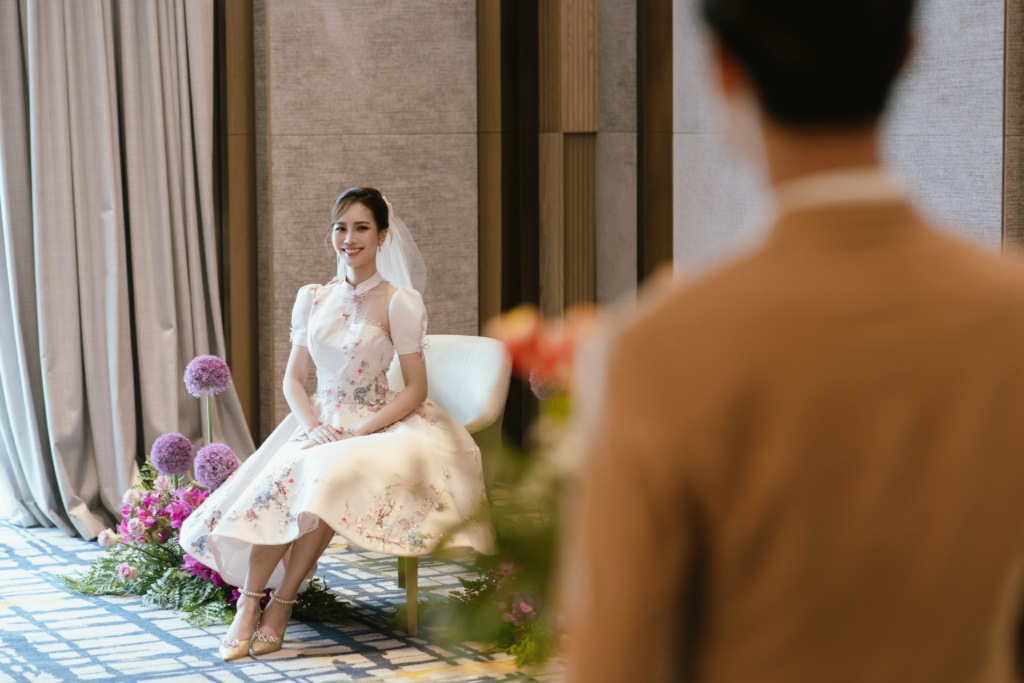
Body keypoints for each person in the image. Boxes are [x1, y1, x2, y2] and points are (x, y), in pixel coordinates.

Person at [564, 1, 1024, 681]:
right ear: (908, 53)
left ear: (725, 70)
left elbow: (614, 662)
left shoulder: (659, 347)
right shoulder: (1009, 312)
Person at [179, 187, 493, 661]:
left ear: (382, 236)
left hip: (380, 424)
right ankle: (248, 604)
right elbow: (293, 380)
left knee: (326, 475)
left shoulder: (399, 302)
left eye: (362, 227)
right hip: (320, 419)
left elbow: (415, 389)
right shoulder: (312, 298)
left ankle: (280, 606)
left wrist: (360, 432)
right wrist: (313, 427)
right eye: (341, 227)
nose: (350, 238)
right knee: (284, 476)